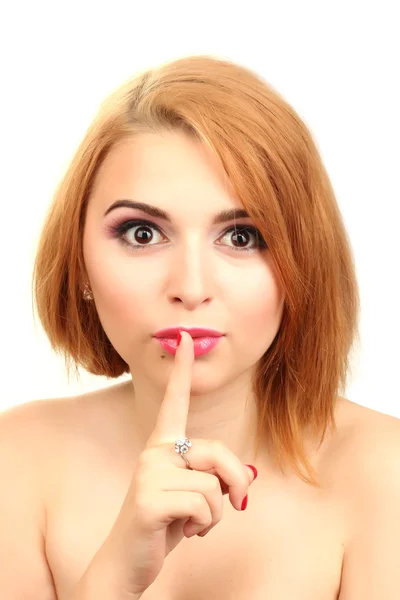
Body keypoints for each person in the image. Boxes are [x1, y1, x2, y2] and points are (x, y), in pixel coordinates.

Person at [1, 54, 399, 600]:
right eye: (142, 234)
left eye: (242, 237)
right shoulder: (15, 459)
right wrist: (112, 579)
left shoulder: (386, 474)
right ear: (79, 262)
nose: (190, 286)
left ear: (303, 260)